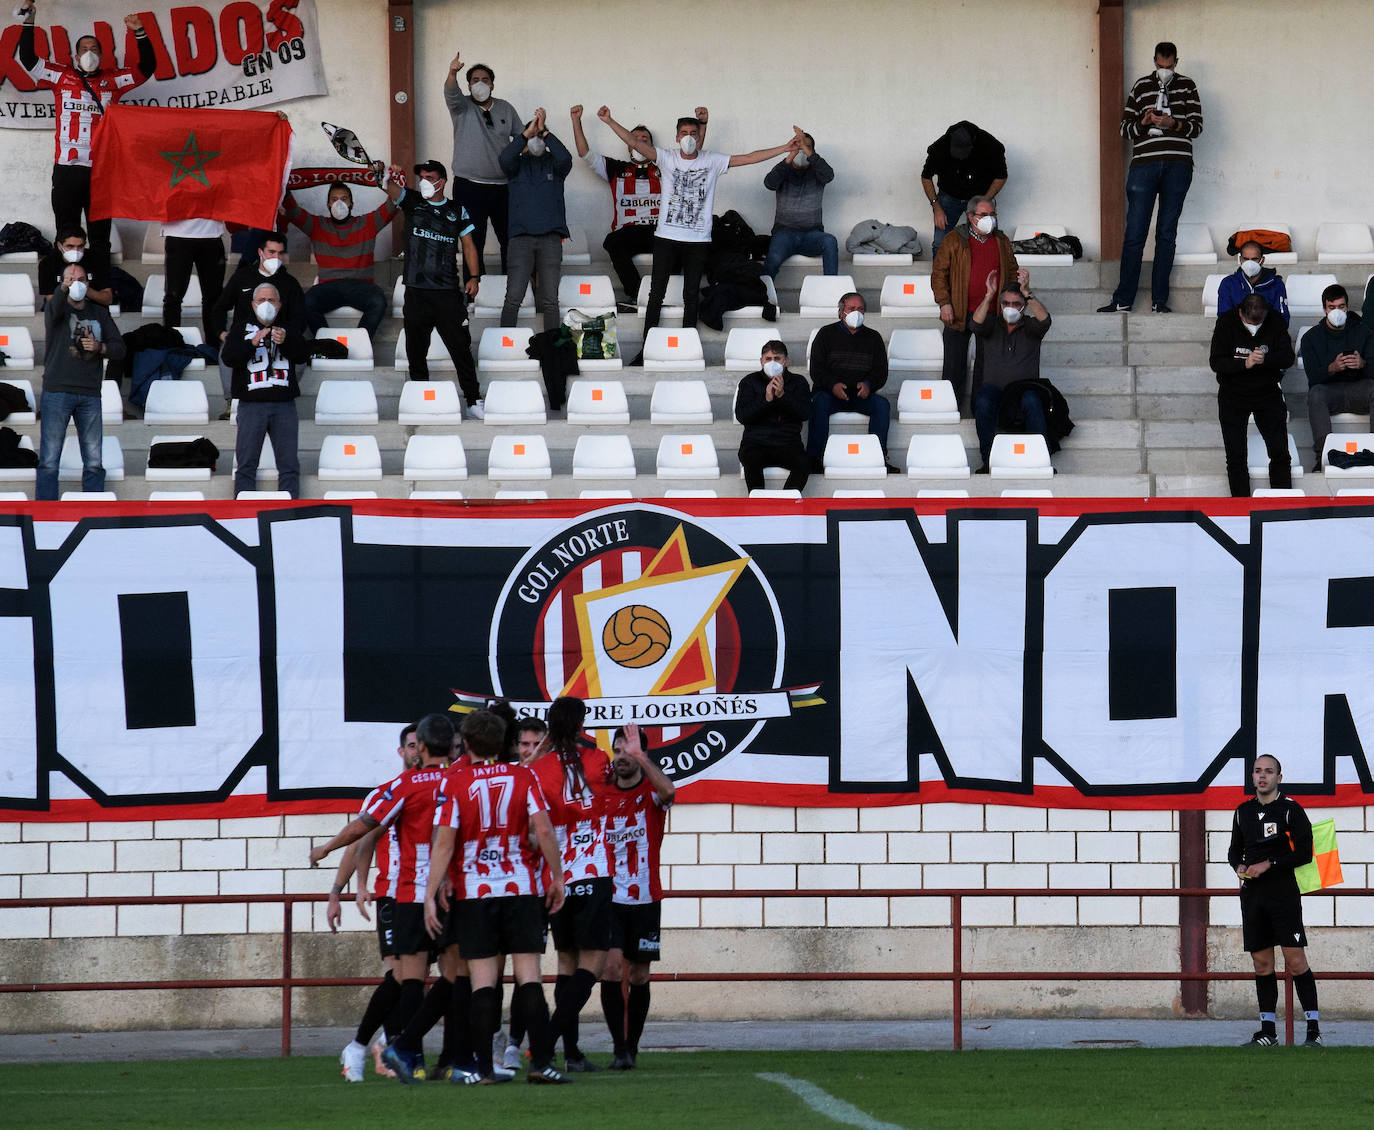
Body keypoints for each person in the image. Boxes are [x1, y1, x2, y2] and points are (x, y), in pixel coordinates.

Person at [425, 709, 569, 1084]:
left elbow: (444, 842)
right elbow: (545, 830)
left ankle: (484, 1068)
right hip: (520, 888)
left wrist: (430, 891)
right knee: (530, 979)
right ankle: (540, 1064)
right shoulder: (524, 776)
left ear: (467, 743)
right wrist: (557, 877)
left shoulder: (455, 783)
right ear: (504, 742)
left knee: (483, 983)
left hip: (476, 892)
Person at [309, 713, 453, 1080]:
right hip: (439, 893)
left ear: (420, 747)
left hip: (415, 893)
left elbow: (361, 829)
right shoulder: (457, 779)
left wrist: (324, 848)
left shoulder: (406, 787)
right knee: (443, 978)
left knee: (412, 980)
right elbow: (367, 837)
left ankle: (409, 1054)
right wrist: (346, 887)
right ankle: (420, 1056)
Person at [596, 107, 799, 353]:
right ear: (677, 137)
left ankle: (688, 346)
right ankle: (648, 347)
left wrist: (784, 148)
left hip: (698, 241)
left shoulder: (712, 160)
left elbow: (749, 157)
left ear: (699, 137)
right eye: (684, 132)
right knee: (655, 295)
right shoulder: (666, 157)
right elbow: (633, 142)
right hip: (666, 238)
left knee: (690, 295)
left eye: (693, 132)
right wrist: (609, 121)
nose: (689, 137)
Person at [16, 2, 154, 252]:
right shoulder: (61, 75)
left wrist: (140, 32)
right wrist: (29, 21)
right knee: (66, 231)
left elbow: (146, 69)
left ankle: (100, 283)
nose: (89, 53)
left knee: (100, 234)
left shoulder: (113, 80)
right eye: (84, 49)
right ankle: (65, 282)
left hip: (100, 169)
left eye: (94, 49)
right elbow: (28, 58)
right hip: (67, 168)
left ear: (101, 56)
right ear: (76, 56)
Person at [329, 723, 419, 1082]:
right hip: (393, 895)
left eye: (420, 745)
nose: (416, 751)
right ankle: (370, 1046)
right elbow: (360, 841)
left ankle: (390, 1045)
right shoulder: (385, 794)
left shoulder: (441, 790)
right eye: (410, 745)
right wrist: (346, 888)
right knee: (398, 974)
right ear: (401, 752)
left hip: (429, 894)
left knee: (422, 977)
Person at [525, 697, 611, 1072]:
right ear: (581, 725)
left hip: (555, 876)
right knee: (594, 963)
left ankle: (572, 1054)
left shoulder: (538, 769)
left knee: (565, 963)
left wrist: (541, 752)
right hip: (592, 869)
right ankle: (546, 1041)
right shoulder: (598, 760)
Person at [1099, 41, 1204, 314]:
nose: (1164, 70)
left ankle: (1160, 301)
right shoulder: (1141, 86)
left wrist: (1173, 124)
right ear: (1154, 61)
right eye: (1160, 65)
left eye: (1169, 66)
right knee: (1135, 233)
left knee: (1166, 234)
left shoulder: (1187, 86)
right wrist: (1144, 122)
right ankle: (1123, 299)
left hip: (1178, 165)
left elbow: (1197, 126)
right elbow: (1124, 129)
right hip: (1144, 165)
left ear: (1176, 63)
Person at [1227, 754, 1322, 1047]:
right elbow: (1234, 851)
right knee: (1261, 963)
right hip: (1253, 896)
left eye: (1269, 771)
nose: (1262, 776)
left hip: (1283, 894)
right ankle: (1268, 1032)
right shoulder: (1242, 811)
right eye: (1258, 771)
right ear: (1252, 777)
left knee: (1295, 961)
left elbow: (1304, 854)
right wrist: (1239, 867)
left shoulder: (1290, 810)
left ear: (1279, 778)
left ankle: (1313, 1031)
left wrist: (1269, 863)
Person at [599, 724, 674, 1070]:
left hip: (645, 897)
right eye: (617, 751)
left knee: (640, 975)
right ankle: (618, 1049)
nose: (621, 758)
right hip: (609, 899)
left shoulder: (651, 792)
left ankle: (633, 1046)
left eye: (627, 751)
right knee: (612, 970)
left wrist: (643, 758)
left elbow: (669, 792)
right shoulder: (600, 794)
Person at [384, 160, 484, 418]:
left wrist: (474, 276)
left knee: (461, 349)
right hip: (416, 292)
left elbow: (469, 245)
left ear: (442, 181)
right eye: (422, 177)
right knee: (416, 352)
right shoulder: (413, 201)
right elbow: (388, 187)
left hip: (448, 293)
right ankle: (420, 399)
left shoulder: (456, 209)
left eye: (430, 177)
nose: (425, 181)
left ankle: (473, 401)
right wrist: (384, 174)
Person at [570, 107, 686, 311]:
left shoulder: (666, 167)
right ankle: (636, 294)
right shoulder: (617, 168)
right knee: (612, 241)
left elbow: (693, 157)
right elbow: (584, 154)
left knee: (677, 242)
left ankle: (669, 296)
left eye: (645, 139)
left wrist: (702, 127)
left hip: (658, 230)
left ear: (651, 146)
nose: (640, 142)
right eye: (636, 138)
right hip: (629, 231)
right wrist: (576, 120)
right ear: (628, 145)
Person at [37, 262, 124, 499]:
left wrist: (100, 346)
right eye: (70, 279)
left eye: (81, 279)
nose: (77, 283)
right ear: (63, 283)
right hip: (57, 390)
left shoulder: (99, 313)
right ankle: (45, 515)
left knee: (94, 461)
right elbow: (53, 308)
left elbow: (120, 348)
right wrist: (62, 290)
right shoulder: (57, 309)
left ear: (88, 283)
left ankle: (93, 510)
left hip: (90, 393)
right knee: (49, 460)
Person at [282, 170, 398, 340]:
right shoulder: (317, 226)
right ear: (328, 204)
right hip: (329, 287)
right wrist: (282, 177)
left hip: (361, 286)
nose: (339, 203)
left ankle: (360, 342)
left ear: (351, 203)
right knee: (306, 302)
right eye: (334, 200)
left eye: (344, 199)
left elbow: (394, 203)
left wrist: (392, 178)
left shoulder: (367, 223)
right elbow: (292, 210)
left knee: (379, 301)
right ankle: (328, 345)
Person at [220, 282, 310, 498]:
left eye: (271, 300)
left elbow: (302, 356)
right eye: (261, 300)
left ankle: (288, 515)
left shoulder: (289, 328)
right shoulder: (240, 329)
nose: (266, 304)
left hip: (284, 405)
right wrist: (251, 343)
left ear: (279, 305)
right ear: (252, 304)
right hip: (251, 405)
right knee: (246, 464)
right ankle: (244, 515)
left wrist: (286, 342)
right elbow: (228, 358)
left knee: (289, 465)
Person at [931, 195, 1019, 412]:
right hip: (958, 312)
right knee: (954, 366)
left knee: (986, 367)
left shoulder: (1002, 240)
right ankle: (950, 410)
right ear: (971, 217)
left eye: (992, 214)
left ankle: (980, 412)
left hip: (991, 314)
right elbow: (939, 273)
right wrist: (944, 303)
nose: (989, 219)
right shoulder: (954, 239)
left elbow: (1012, 271)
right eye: (983, 214)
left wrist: (1011, 300)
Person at [209, 231, 305, 420]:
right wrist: (222, 334)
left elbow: (300, 318)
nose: (275, 257)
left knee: (300, 357)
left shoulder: (290, 283)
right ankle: (232, 403)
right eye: (271, 252)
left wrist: (288, 335)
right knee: (225, 353)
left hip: (279, 334)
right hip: (244, 335)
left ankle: (283, 397)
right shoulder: (241, 277)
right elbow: (219, 307)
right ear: (260, 252)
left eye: (280, 253)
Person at [1208, 293, 1295, 498]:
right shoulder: (1226, 322)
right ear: (1241, 313)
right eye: (1251, 321)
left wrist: (1266, 359)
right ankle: (1241, 506)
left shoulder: (1275, 321)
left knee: (1279, 452)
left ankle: (1282, 504)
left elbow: (1288, 357)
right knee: (1236, 456)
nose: (1256, 325)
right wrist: (1244, 364)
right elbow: (1216, 362)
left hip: (1267, 393)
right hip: (1233, 394)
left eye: (1261, 320)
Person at [443, 53, 523, 274]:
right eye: (475, 80)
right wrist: (452, 73)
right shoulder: (461, 106)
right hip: (469, 186)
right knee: (472, 241)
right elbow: (450, 92)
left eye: (485, 80)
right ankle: (475, 295)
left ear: (493, 85)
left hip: (503, 187)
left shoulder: (506, 108)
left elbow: (522, 137)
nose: (480, 83)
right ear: (468, 85)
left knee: (511, 239)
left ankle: (513, 293)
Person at [499, 107, 573, 335]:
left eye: (539, 136)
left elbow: (566, 157)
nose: (536, 140)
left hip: (550, 239)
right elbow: (505, 157)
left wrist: (544, 132)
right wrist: (526, 134)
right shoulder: (516, 167)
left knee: (550, 299)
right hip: (521, 240)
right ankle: (504, 344)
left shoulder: (556, 166)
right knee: (513, 298)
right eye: (533, 136)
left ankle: (551, 348)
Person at [969, 270, 1052, 472]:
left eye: (1016, 304)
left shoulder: (1030, 326)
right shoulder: (992, 324)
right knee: (983, 399)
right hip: (994, 391)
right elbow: (975, 324)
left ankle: (1041, 459)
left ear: (1023, 307)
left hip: (1023, 392)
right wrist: (989, 295)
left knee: (1032, 400)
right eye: (1006, 303)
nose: (1010, 308)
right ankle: (988, 460)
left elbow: (1045, 321)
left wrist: (1027, 293)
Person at [805, 292, 896, 474]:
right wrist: (833, 385)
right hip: (830, 394)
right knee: (818, 403)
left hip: (861, 395)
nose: (857, 312)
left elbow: (881, 371)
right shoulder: (825, 334)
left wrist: (869, 385)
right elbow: (816, 369)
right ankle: (813, 459)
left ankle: (879, 457)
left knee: (882, 405)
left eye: (861, 309)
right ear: (841, 312)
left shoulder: (874, 337)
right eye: (851, 308)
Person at [1300, 285, 1374, 472]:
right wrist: (1331, 368)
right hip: (1329, 391)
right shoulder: (1311, 338)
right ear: (1325, 309)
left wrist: (1363, 364)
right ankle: (1323, 455)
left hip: (1359, 388)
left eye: (1341, 307)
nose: (1337, 311)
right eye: (1332, 307)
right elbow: (1313, 377)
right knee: (1315, 394)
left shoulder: (1363, 332)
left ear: (1347, 307)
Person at [735, 339, 812, 492]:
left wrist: (783, 395)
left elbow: (805, 413)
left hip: (788, 443)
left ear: (786, 361)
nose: (772, 363)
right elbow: (742, 416)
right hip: (756, 443)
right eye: (768, 359)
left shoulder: (798, 382)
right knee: (750, 459)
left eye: (777, 359)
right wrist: (766, 399)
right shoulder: (749, 382)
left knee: (805, 462)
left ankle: (785, 504)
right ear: (761, 362)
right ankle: (758, 504)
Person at [920, 121, 1008, 254]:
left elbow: (1001, 176)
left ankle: (981, 273)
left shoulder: (991, 146)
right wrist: (936, 207)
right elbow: (926, 177)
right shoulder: (939, 147)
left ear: (973, 145)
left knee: (984, 239)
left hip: (979, 197)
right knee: (940, 242)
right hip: (948, 197)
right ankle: (939, 274)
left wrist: (985, 201)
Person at [762, 131, 837, 277]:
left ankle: (832, 290)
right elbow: (769, 183)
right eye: (798, 147)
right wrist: (791, 155)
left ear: (812, 151)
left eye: (806, 147)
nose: (802, 151)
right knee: (774, 258)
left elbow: (829, 175)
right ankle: (761, 295)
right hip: (784, 234)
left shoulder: (818, 172)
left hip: (812, 234)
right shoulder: (784, 170)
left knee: (830, 241)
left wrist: (809, 153)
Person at [162, 218, 226, 335]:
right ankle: (171, 346)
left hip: (211, 234)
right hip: (178, 233)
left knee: (213, 297)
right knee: (173, 296)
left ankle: (213, 348)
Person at [1217, 241, 1289, 327]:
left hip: (1267, 335)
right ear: (1240, 260)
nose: (1250, 263)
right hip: (1236, 335)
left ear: (1262, 260)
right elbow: (1224, 316)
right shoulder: (1228, 283)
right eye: (1246, 259)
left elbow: (1282, 318)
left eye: (1254, 259)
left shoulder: (1276, 283)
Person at [37, 225, 111, 307]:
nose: (75, 251)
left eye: (80, 246)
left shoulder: (97, 260)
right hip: (62, 310)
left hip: (92, 308)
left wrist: (84, 288)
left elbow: (108, 299)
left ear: (85, 245)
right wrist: (63, 288)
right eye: (70, 246)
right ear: (59, 246)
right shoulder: (47, 264)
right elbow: (51, 301)